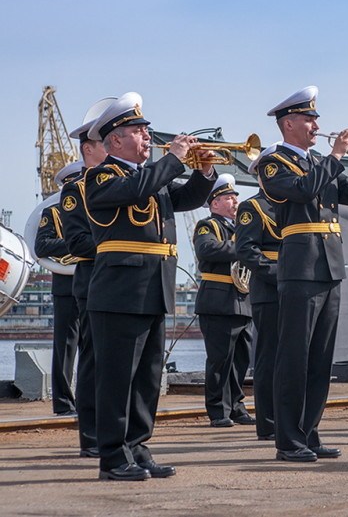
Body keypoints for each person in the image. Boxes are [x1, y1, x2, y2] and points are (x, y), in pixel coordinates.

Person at [83, 91, 215, 481]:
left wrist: (203, 173)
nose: (146, 136)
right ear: (116, 139)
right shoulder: (102, 175)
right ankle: (112, 457)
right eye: (138, 130)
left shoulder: (149, 178)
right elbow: (136, 190)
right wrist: (173, 158)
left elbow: (186, 197)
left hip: (154, 288)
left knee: (146, 378)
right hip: (120, 290)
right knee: (117, 378)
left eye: (145, 130)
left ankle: (138, 448)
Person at [256, 86, 348, 463]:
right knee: (294, 355)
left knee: (321, 358)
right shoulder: (274, 162)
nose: (316, 124)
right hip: (301, 265)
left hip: (329, 264)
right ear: (288, 123)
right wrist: (336, 154)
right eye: (309, 118)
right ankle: (287, 439)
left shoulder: (320, 162)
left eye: (315, 118)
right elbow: (304, 192)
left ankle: (310, 431)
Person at [59, 96, 116, 457]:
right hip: (95, 280)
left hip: (124, 282)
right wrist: (118, 245)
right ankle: (92, 438)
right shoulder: (75, 190)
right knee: (95, 361)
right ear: (88, 149)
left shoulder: (123, 182)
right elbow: (77, 242)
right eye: (103, 144)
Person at [194, 173, 255, 428]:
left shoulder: (240, 228)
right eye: (228, 197)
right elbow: (207, 249)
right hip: (218, 300)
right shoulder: (208, 225)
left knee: (241, 358)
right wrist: (246, 246)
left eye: (235, 197)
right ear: (214, 203)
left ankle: (237, 406)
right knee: (220, 359)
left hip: (243, 299)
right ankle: (218, 410)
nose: (234, 201)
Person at [235, 144, 282, 441]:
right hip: (270, 286)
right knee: (269, 356)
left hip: (298, 285)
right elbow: (247, 251)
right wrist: (279, 274)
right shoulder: (253, 207)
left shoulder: (292, 204)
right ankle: (267, 422)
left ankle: (288, 418)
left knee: (293, 357)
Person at [34, 161, 84, 417]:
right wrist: (77, 245)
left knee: (95, 344)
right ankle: (63, 402)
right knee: (65, 346)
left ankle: (89, 400)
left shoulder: (97, 210)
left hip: (94, 280)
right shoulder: (52, 213)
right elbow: (42, 246)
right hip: (66, 284)